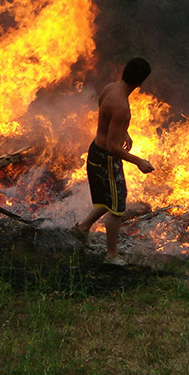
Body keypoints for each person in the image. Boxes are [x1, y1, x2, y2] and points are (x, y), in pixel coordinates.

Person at [70, 57, 155, 265]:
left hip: (95, 152)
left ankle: (81, 229)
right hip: (106, 157)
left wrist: (123, 132)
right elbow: (112, 147)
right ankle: (112, 255)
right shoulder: (122, 107)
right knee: (117, 208)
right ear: (140, 83)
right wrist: (139, 161)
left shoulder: (110, 89)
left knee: (108, 199)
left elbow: (104, 114)